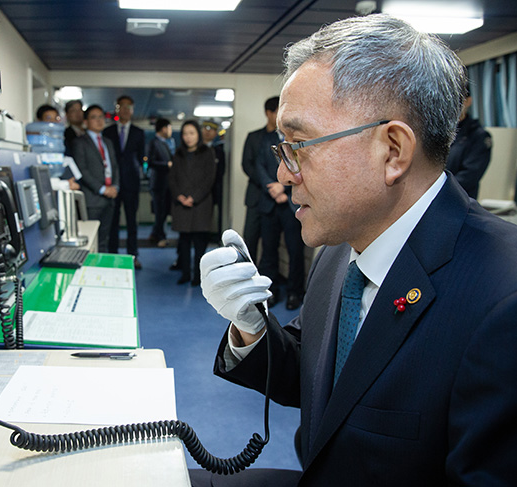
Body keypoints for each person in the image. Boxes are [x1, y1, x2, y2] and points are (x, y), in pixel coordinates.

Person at [193, 14, 517, 487]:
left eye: (299, 146)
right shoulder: (343, 249)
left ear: (391, 150)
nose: (284, 174)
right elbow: (325, 380)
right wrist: (250, 327)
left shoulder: (503, 299)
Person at [254, 97, 306, 310]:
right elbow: (259, 167)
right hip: (269, 203)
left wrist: (283, 188)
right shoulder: (265, 140)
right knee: (268, 251)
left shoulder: (298, 140)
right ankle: (270, 292)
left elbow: (302, 166)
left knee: (295, 251)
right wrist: (272, 187)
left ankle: (295, 292)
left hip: (292, 204)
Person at [169, 120, 216, 286]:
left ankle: (198, 275)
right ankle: (185, 274)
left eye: (192, 133)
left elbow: (209, 179)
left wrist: (193, 198)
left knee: (199, 243)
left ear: (198, 134)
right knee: (184, 242)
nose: (188, 137)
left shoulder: (208, 152)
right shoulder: (178, 154)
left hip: (200, 204)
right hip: (181, 204)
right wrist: (179, 196)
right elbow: (172, 179)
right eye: (185, 134)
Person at [103, 95, 145, 269]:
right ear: (117, 109)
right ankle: (112, 254)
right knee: (112, 222)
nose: (126, 110)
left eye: (129, 107)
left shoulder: (139, 132)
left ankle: (133, 256)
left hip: (131, 183)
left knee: (131, 221)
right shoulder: (108, 132)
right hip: (112, 184)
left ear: (132, 110)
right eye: (122, 107)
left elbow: (141, 158)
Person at [71, 105, 119, 253]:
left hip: (110, 198)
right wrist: (102, 189)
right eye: (94, 117)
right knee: (91, 240)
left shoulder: (108, 142)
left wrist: (116, 187)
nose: (99, 120)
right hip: (92, 199)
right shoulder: (79, 142)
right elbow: (82, 170)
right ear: (85, 122)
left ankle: (102, 271)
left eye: (101, 117)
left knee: (104, 239)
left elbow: (115, 167)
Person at [240, 97, 279, 263]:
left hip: (275, 200)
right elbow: (247, 164)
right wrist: (268, 184)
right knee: (249, 240)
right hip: (256, 196)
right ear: (268, 113)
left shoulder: (282, 138)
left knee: (270, 244)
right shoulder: (254, 137)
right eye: (277, 112)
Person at [446, 86, 492, 199]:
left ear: (468, 101)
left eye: (457, 100)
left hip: (460, 200)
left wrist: (437, 190)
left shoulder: (478, 136)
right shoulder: (439, 131)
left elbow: (469, 176)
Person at [147, 118, 174, 247]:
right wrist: (167, 164)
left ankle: (155, 234)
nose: (170, 131)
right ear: (163, 128)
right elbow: (151, 162)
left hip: (166, 184)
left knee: (163, 212)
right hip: (158, 184)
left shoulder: (165, 143)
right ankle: (160, 237)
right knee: (160, 212)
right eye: (169, 127)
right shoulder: (154, 143)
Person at [201, 120, 226, 240]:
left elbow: (221, 172)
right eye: (205, 128)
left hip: (215, 190)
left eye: (211, 129)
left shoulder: (219, 151)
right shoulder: (194, 150)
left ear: (216, 133)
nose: (207, 131)